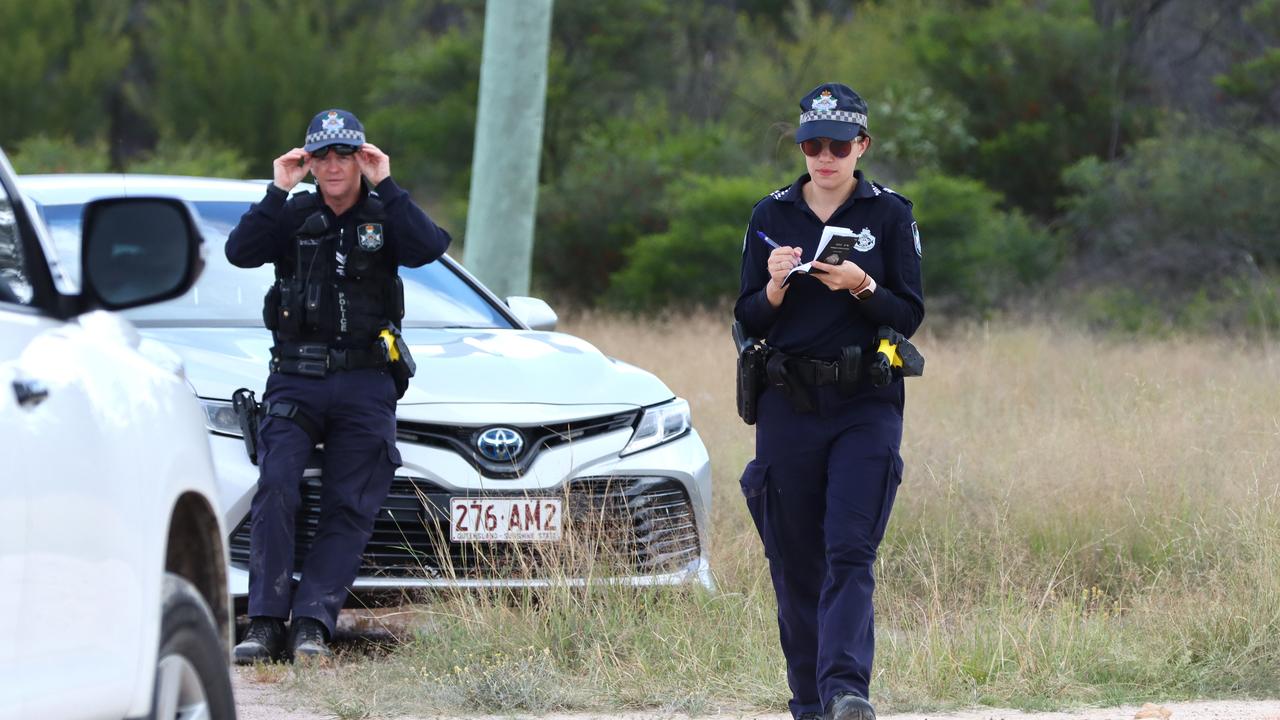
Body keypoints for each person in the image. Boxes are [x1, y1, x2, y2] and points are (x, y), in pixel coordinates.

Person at [226, 108, 451, 663]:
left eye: (343, 154)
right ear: (308, 161)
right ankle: (264, 624)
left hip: (366, 382)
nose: (331, 165)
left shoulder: (385, 215)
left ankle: (312, 624)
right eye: (320, 155)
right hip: (296, 381)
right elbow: (239, 252)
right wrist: (278, 189)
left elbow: (430, 247)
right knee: (277, 488)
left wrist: (388, 183)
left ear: (360, 158)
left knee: (349, 504)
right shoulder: (291, 214)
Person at [734, 83, 925, 720]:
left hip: (864, 402)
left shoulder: (890, 214)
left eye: (838, 145)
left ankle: (847, 691)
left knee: (849, 549)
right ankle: (811, 703)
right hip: (788, 402)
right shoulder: (770, 215)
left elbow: (909, 312)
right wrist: (776, 286)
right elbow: (747, 317)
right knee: (793, 557)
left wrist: (863, 285)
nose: (824, 157)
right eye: (813, 144)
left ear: (861, 146)